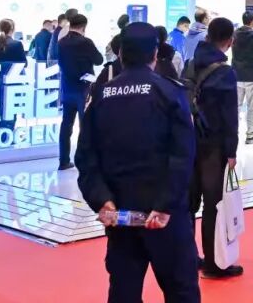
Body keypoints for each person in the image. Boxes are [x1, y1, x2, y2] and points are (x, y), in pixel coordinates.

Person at [75, 22, 199, 302]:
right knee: (181, 290)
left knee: (124, 290)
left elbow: (85, 155)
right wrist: (165, 205)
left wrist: (102, 200)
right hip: (164, 216)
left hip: (119, 214)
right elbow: (183, 156)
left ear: (120, 54)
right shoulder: (171, 93)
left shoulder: (101, 95)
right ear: (155, 54)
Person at [187, 17, 242, 278]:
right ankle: (213, 263)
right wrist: (231, 151)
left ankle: (187, 259)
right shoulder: (224, 72)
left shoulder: (190, 64)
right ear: (229, 41)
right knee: (213, 205)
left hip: (188, 143)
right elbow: (229, 116)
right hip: (213, 146)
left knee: (188, 205)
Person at [57, 13, 102, 170]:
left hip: (67, 88)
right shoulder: (86, 42)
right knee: (86, 125)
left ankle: (63, 160)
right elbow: (99, 60)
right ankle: (85, 160)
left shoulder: (61, 42)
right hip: (84, 89)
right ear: (84, 26)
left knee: (66, 125)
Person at [232, 11, 253, 144]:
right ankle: (250, 135)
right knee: (252, 106)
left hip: (236, 75)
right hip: (251, 75)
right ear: (252, 21)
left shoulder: (234, 34)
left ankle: (232, 134)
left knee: (235, 106)